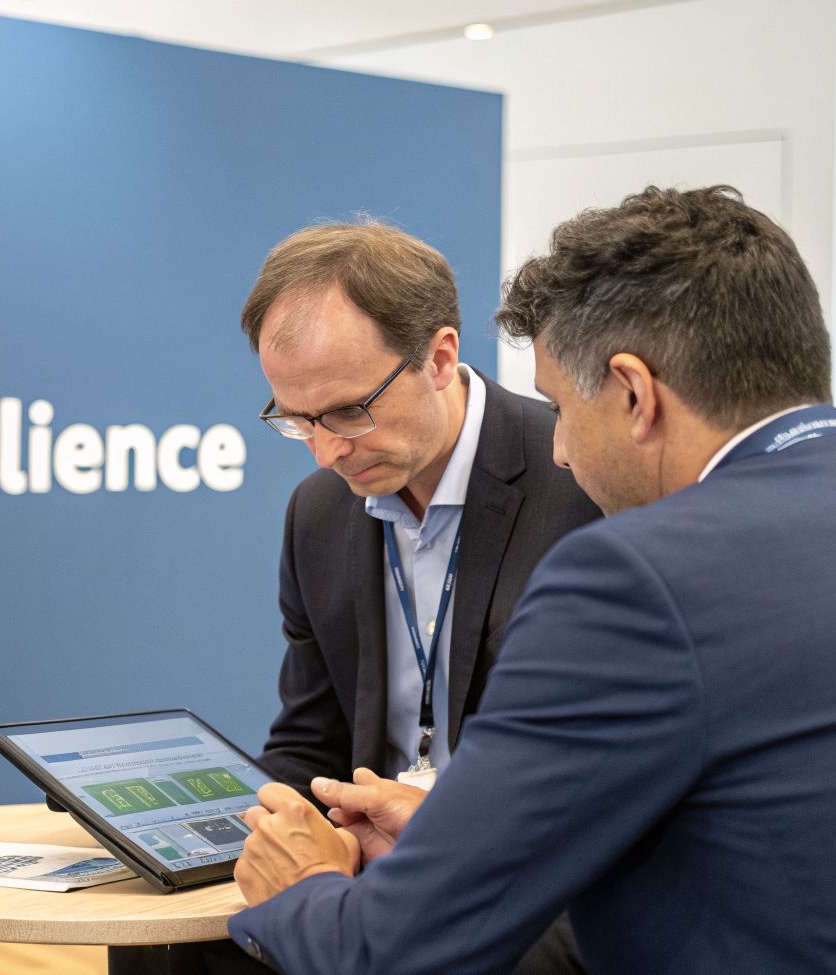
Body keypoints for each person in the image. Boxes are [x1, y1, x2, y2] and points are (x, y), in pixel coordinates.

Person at [226, 185, 836, 974]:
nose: (561, 451)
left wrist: (306, 887)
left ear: (633, 393)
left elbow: (386, 953)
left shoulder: (634, 575)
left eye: (563, 408)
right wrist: (469, 833)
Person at [238, 219, 600, 973]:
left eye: (346, 411)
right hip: (372, 869)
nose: (326, 450)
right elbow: (310, 740)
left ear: (439, 357)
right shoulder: (318, 512)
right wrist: (236, 831)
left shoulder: (580, 480)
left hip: (529, 890)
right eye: (296, 419)